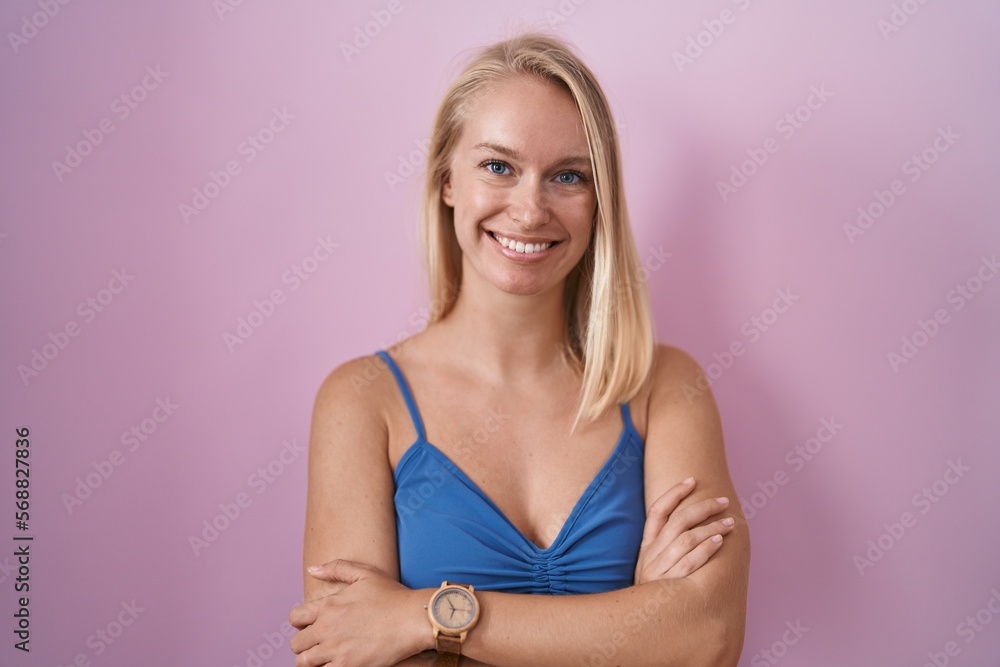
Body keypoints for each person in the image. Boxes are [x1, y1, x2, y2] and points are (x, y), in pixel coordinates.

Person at [289, 32, 750, 667]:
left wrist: (425, 616)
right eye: (498, 166)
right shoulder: (361, 400)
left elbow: (707, 636)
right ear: (446, 179)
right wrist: (639, 619)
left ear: (600, 203)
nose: (530, 210)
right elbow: (344, 648)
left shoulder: (666, 385)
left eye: (568, 176)